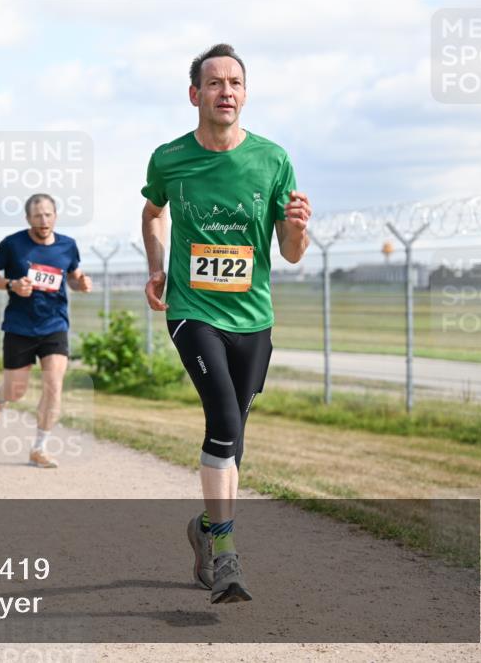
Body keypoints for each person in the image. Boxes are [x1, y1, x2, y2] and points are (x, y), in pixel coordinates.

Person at [139, 43, 311, 604]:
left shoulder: (273, 159)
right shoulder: (169, 159)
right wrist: (158, 268)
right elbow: (152, 211)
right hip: (193, 312)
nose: (226, 92)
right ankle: (228, 555)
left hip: (253, 318)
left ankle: (204, 528)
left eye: (235, 83)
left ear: (244, 93)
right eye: (214, 83)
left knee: (233, 438)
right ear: (195, 95)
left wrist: (298, 227)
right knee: (221, 420)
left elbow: (289, 253)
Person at [0, 193, 92, 468]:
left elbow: (73, 278)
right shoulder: (13, 245)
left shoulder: (68, 246)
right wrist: (11, 285)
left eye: (48, 214)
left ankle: (39, 447)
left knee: (54, 384)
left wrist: (82, 284)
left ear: (55, 215)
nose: (43, 220)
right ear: (28, 218)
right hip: (19, 325)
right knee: (16, 390)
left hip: (54, 325)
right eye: (38, 215)